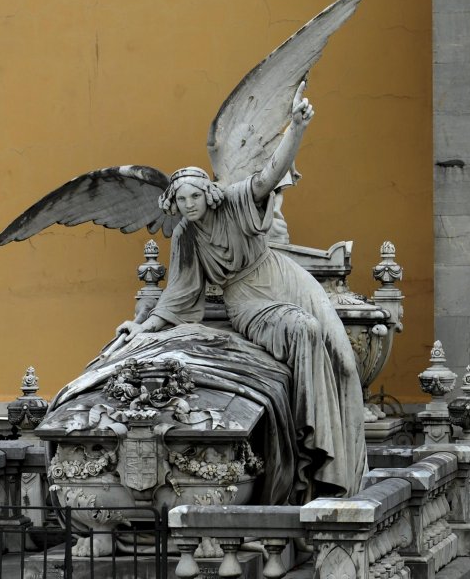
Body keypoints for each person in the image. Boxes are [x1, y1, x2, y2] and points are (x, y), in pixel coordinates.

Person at [116, 82, 366, 504]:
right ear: (173, 203)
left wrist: (297, 128)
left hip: (284, 276)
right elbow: (178, 294)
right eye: (182, 199)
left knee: (342, 352)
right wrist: (142, 327)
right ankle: (318, 460)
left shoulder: (233, 201)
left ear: (208, 193)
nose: (190, 204)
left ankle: (348, 459)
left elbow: (271, 173)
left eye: (195, 195)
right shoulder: (185, 237)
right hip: (246, 298)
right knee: (302, 331)